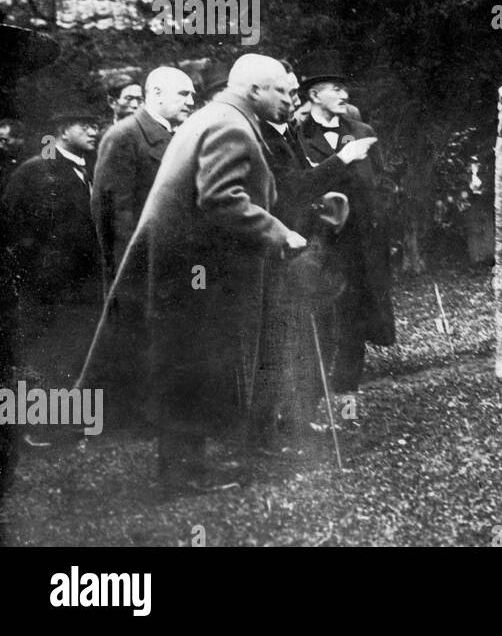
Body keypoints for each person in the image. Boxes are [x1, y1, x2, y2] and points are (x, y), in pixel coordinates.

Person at [77, 55, 306, 492]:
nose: (290, 99)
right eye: (283, 91)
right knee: (191, 367)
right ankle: (182, 477)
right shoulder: (232, 126)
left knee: (184, 366)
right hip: (195, 272)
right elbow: (220, 198)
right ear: (256, 90)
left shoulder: (212, 117)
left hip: (182, 269)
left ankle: (185, 470)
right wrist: (279, 234)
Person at [249, 68, 376, 454]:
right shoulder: (268, 135)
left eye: (293, 94)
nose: (292, 102)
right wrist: (343, 159)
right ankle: (271, 428)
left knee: (326, 331)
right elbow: (291, 187)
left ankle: (303, 416)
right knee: (285, 339)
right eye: (286, 94)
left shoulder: (282, 131)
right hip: (291, 246)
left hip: (335, 240)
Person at [296, 52, 395, 415]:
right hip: (322, 246)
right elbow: (298, 188)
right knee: (321, 323)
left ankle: (348, 403)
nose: (343, 93)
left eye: (344, 87)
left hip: (363, 245)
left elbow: (382, 181)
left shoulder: (363, 133)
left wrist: (378, 217)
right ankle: (308, 407)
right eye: (335, 88)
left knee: (356, 323)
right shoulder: (298, 137)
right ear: (314, 95)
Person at [1, 103, 103, 397]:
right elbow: (12, 228)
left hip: (84, 285)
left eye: (95, 125)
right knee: (48, 359)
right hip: (48, 288)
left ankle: (69, 423)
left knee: (75, 354)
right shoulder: (35, 171)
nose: (93, 131)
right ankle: (39, 427)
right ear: (62, 131)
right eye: (84, 125)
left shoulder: (91, 168)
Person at [92, 67, 195, 280]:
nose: (191, 102)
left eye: (192, 95)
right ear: (157, 93)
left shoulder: (177, 134)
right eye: (184, 94)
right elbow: (113, 215)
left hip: (175, 261)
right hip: (143, 269)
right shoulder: (124, 136)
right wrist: (131, 271)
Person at [0, 118, 26, 193]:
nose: (0, 146)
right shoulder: (4, 159)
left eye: (4, 140)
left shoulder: (29, 163)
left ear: (20, 139)